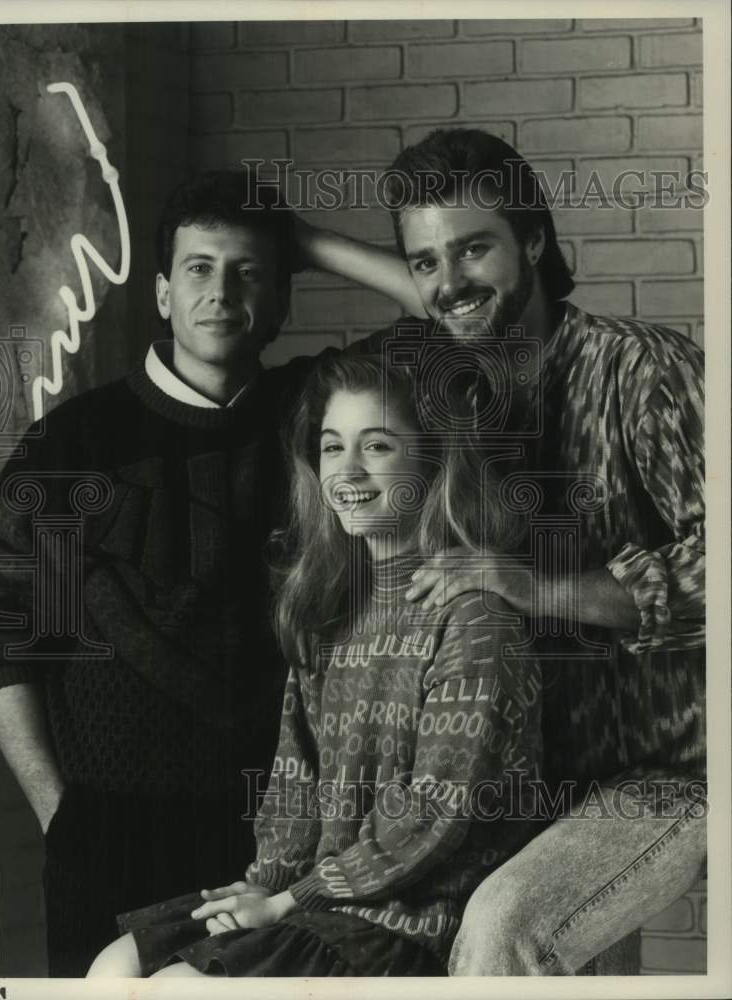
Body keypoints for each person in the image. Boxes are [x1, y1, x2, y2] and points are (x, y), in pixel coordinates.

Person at [294, 128, 707, 975]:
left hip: (670, 774)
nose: (449, 282)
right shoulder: (452, 387)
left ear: (537, 241)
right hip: (526, 780)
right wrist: (301, 242)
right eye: (424, 262)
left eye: (476, 247)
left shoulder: (642, 370)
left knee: (498, 931)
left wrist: (533, 586)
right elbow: (450, 296)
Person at [87, 352, 543, 978]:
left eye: (377, 445)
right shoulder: (332, 610)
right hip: (311, 899)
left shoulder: (475, 620)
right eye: (332, 448)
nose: (347, 470)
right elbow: (294, 781)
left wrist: (286, 902)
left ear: (434, 461)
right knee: (113, 969)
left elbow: (433, 814)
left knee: (177, 988)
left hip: (401, 920)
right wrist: (263, 887)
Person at [0, 170, 321, 976]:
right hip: (108, 833)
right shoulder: (73, 446)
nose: (222, 292)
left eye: (249, 273)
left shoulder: (314, 420)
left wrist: (302, 242)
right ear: (163, 294)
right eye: (200, 268)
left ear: (281, 303)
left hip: (274, 834)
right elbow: (11, 650)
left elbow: (462, 337)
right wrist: (60, 814)